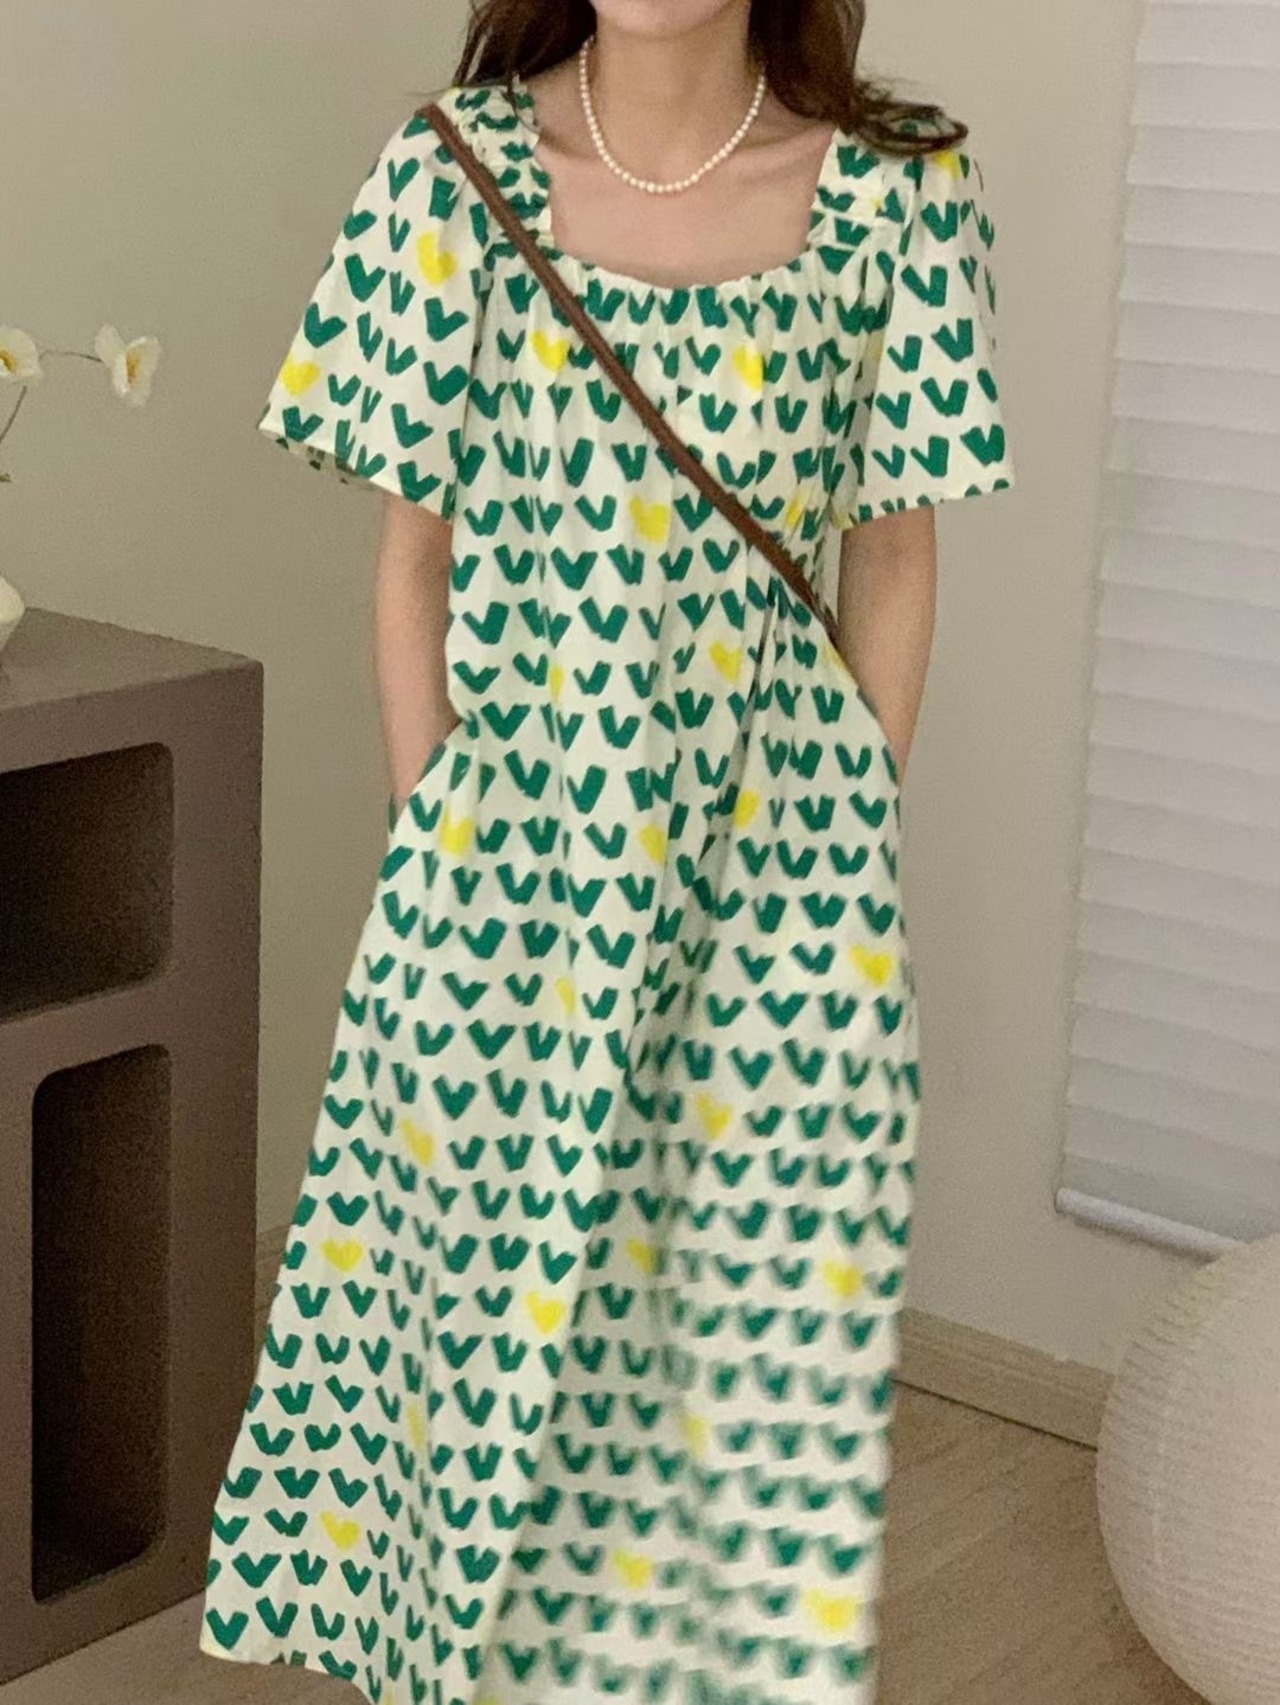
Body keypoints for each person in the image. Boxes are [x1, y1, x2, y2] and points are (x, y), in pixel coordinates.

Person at [198, 2, 1015, 1701]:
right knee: (478, 1378)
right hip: (504, 883)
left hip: (776, 898)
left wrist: (843, 847)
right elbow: (411, 562)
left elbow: (896, 557)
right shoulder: (448, 178)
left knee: (736, 1400)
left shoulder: (899, 198)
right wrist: (440, 842)